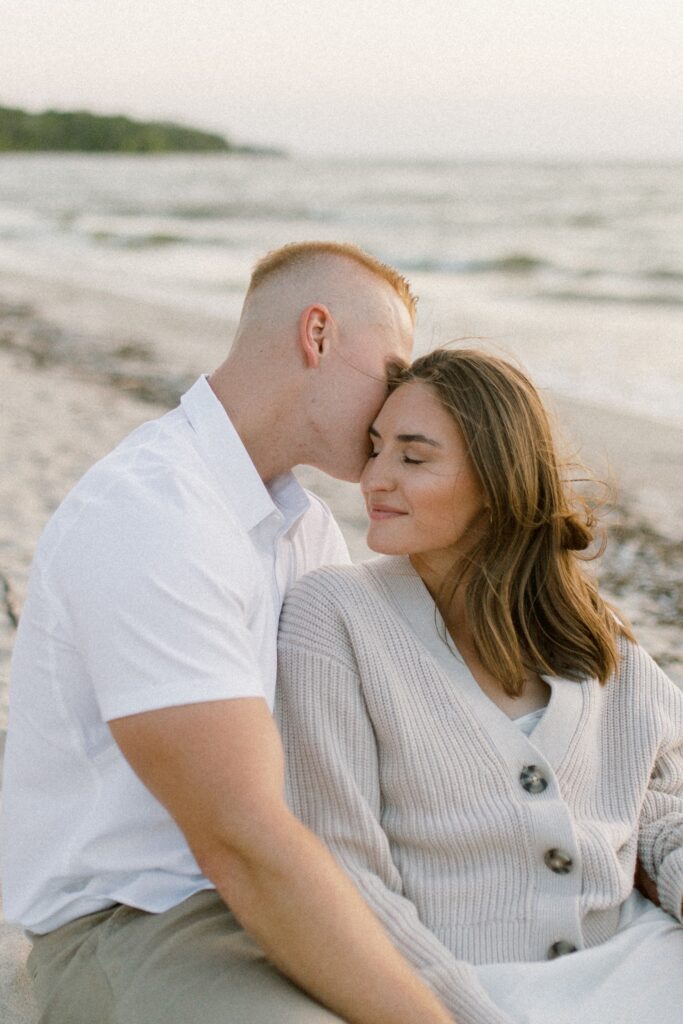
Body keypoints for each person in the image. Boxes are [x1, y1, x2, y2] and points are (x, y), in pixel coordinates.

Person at [0, 242, 458, 1024]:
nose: (395, 404)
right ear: (317, 335)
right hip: (136, 919)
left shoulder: (301, 527)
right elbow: (238, 837)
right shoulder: (152, 513)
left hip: (275, 883)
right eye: (390, 372)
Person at [276, 347, 683, 1024]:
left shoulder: (594, 634)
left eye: (412, 457)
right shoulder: (334, 616)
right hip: (457, 993)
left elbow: (663, 813)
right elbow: (341, 869)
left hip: (646, 965)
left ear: (496, 479)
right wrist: (456, 1011)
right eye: (374, 450)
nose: (374, 478)